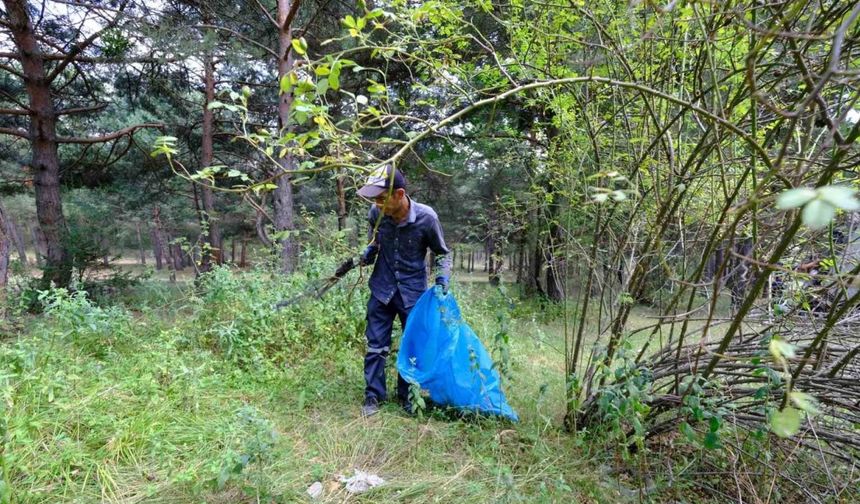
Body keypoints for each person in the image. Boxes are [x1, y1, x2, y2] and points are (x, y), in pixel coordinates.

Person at [356, 165, 451, 417]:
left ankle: (408, 396)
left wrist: (442, 281)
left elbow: (442, 254)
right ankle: (373, 396)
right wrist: (369, 252)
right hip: (382, 289)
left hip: (413, 295)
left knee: (413, 347)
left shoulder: (427, 218)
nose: (377, 204)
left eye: (381, 198)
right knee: (376, 345)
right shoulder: (375, 214)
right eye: (374, 199)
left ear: (399, 194)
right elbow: (375, 241)